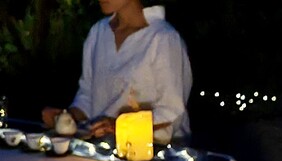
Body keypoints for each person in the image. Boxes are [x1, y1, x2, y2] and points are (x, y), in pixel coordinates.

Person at [42, 0, 192, 145]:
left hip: (155, 152)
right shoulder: (98, 32)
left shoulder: (162, 38)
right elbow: (88, 97)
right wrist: (67, 117)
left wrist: (121, 126)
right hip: (102, 149)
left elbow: (173, 112)